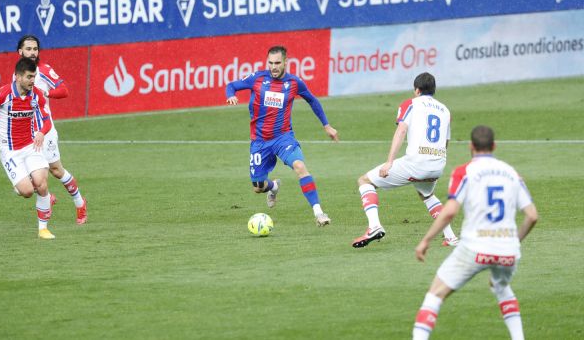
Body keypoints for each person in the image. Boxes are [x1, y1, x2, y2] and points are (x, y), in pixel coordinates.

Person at [412, 125, 538, 340]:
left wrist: (426, 240)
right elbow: (532, 216)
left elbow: (450, 212)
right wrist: (515, 242)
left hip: (475, 248)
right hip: (508, 251)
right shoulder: (511, 173)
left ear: (471, 146)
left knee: (434, 296)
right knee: (501, 287)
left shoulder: (464, 171)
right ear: (494, 146)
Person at [226, 45, 339, 226]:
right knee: (258, 187)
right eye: (270, 62)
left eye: (277, 62)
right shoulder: (257, 78)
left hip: (283, 137)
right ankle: (274, 186)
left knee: (300, 166)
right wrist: (230, 95)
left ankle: (319, 213)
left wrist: (327, 125)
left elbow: (312, 99)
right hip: (259, 141)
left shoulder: (294, 83)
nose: (273, 67)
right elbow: (231, 85)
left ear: (285, 62)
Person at [352, 72, 459, 248]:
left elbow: (401, 130)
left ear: (416, 90)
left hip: (416, 164)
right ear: (433, 90)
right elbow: (445, 141)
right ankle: (451, 237)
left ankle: (374, 226)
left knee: (365, 181)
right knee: (427, 194)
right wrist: (437, 161)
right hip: (438, 163)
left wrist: (389, 161)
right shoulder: (445, 110)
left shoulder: (410, 103)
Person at [0, 57, 57, 239]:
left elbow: (47, 121)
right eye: (28, 77)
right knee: (26, 191)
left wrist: (41, 132)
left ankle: (43, 229)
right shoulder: (3, 94)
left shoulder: (37, 95)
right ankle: (29, 190)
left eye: (34, 76)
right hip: (9, 151)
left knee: (42, 184)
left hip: (31, 146)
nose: (32, 80)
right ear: (17, 77)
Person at [17, 35, 87, 224]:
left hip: (44, 131)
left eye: (35, 49)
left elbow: (64, 90)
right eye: (28, 49)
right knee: (22, 180)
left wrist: (45, 92)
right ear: (20, 52)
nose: (32, 52)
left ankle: (80, 203)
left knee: (56, 170)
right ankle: (46, 197)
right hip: (24, 134)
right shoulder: (17, 74)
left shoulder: (44, 71)